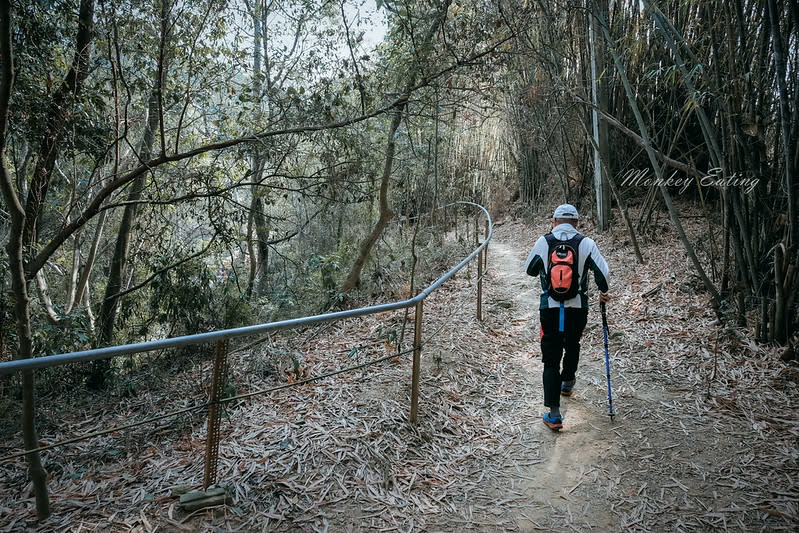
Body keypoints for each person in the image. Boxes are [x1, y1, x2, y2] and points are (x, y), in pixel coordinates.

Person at [523, 204, 610, 430]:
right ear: (577, 223)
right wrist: (603, 292)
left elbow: (529, 269)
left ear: (554, 221)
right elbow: (604, 274)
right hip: (577, 308)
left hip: (549, 309)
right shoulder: (586, 243)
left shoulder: (544, 241)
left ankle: (554, 414)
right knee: (573, 344)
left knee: (550, 359)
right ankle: (568, 382)